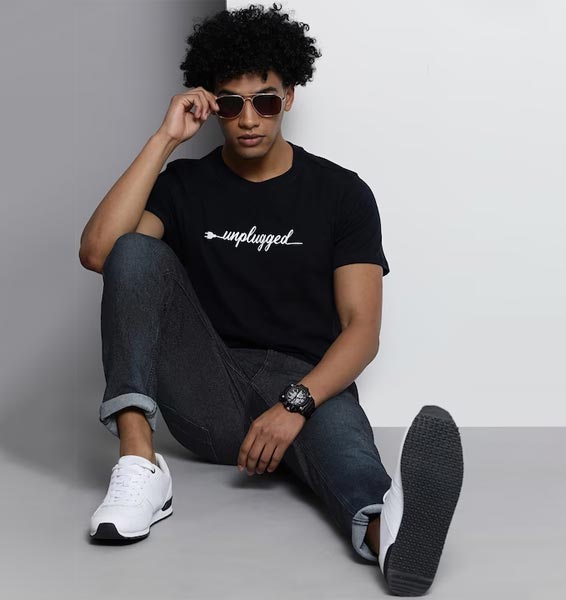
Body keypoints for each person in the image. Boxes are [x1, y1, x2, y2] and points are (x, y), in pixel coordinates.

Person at [78, 3, 464, 596]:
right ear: (211, 106)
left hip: (308, 385)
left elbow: (362, 329)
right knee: (135, 250)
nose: (249, 119)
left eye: (265, 101)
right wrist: (165, 139)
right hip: (210, 387)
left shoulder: (341, 194)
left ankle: (390, 536)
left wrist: (294, 404)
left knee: (348, 459)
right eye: (230, 104)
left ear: (289, 97)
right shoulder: (184, 187)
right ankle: (139, 463)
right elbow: (101, 252)